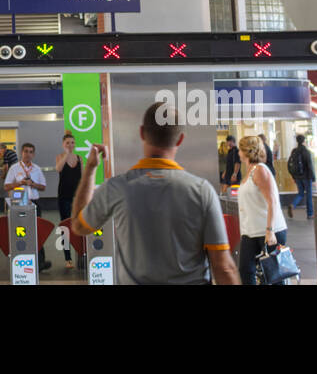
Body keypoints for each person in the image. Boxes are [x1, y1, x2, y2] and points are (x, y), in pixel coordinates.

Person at [71, 102, 239, 285]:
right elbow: (223, 267)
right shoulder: (201, 191)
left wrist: (90, 168)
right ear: (180, 139)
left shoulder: (117, 188)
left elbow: (79, 226)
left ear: (142, 133)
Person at [236, 135, 288, 284]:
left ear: (246, 150)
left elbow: (272, 201)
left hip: (268, 231)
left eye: (240, 148)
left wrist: (270, 230)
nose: (238, 152)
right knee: (246, 271)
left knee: (272, 276)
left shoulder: (260, 170)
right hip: (250, 232)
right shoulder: (249, 172)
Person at [4, 142, 50, 270]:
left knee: (37, 232)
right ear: (21, 153)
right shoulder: (14, 168)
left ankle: (40, 262)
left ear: (33, 154)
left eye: (30, 152)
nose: (28, 154)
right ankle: (18, 259)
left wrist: (32, 184)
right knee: (19, 231)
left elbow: (43, 187)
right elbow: (6, 186)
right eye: (25, 151)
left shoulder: (37, 169)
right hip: (19, 204)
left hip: (34, 203)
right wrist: (20, 183)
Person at [55, 133, 82, 269]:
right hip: (64, 196)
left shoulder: (79, 158)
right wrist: (66, 154)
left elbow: (82, 179)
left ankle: (82, 254)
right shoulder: (60, 157)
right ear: (63, 145)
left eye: (72, 143)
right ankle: (68, 258)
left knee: (80, 225)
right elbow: (58, 168)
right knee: (65, 227)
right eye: (67, 143)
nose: (70, 145)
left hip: (77, 198)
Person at [287, 134, 315, 219]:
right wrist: (313, 178)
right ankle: (310, 214)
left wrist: (293, 176)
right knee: (309, 195)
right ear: (303, 141)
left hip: (298, 177)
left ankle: (293, 204)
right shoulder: (306, 151)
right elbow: (309, 165)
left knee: (301, 193)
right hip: (306, 177)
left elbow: (289, 164)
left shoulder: (294, 151)